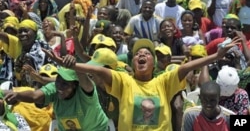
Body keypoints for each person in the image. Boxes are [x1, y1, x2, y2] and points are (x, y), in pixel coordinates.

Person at [41, 36, 240, 131]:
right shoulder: (124, 81)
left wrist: (215, 55)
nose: (141, 55)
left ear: (154, 64)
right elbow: (100, 70)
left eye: (147, 53)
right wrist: (75, 65)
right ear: (132, 62)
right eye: (137, 54)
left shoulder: (164, 81)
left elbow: (187, 67)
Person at [4, 66, 109, 131]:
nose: (59, 86)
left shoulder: (85, 94)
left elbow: (85, 81)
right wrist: (17, 95)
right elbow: (34, 96)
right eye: (58, 80)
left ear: (75, 85)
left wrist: (75, 66)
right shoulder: (55, 89)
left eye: (65, 84)